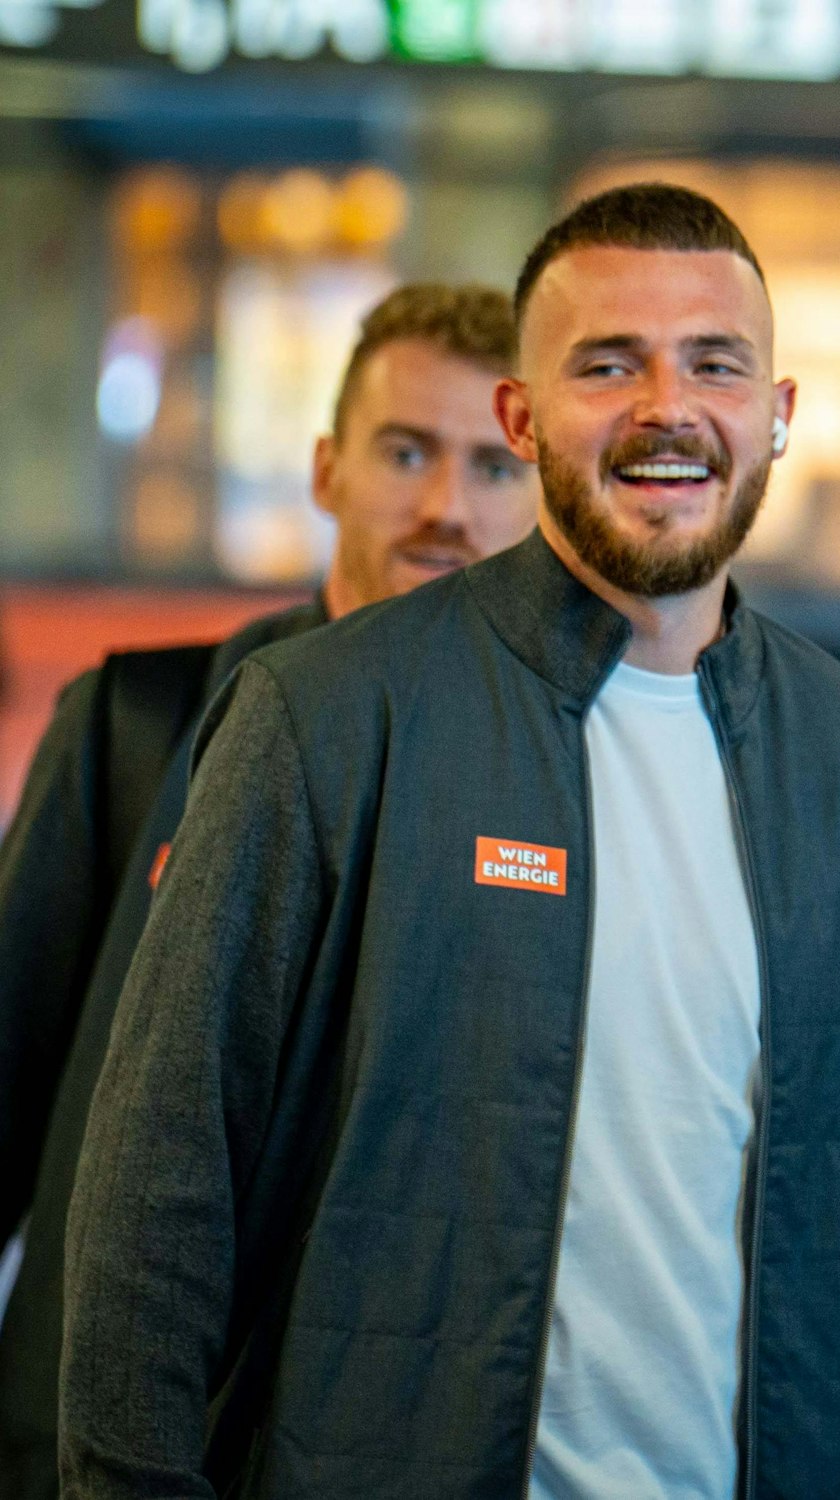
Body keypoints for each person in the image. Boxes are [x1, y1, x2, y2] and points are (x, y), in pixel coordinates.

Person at [59, 183, 840, 1500]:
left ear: (779, 414)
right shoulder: (331, 711)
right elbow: (162, 1177)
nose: (668, 408)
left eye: (716, 364)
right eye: (607, 365)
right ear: (523, 420)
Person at [0, 282, 535, 1499]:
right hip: (97, 1439)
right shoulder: (137, 729)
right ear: (326, 468)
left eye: (494, 468)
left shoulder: (550, 795)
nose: (447, 507)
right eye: (406, 452)